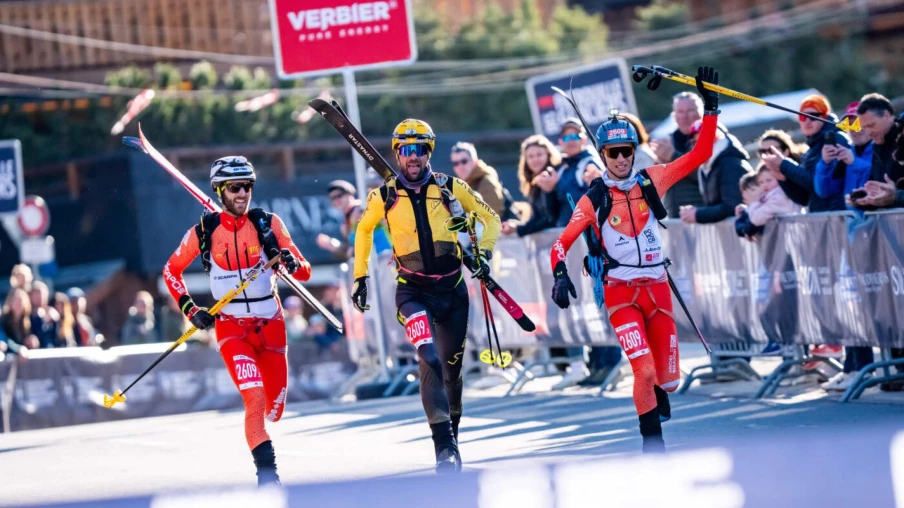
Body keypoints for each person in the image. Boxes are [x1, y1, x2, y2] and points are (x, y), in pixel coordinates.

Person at [549, 66, 721, 453]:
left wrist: (711, 109)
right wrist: (560, 273)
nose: (622, 158)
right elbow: (561, 243)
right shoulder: (594, 198)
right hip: (621, 293)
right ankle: (652, 444)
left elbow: (701, 153)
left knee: (669, 379)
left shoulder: (652, 179)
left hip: (658, 290)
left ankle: (659, 392)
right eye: (613, 152)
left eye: (627, 150)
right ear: (603, 155)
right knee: (642, 368)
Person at [351, 118, 500, 473]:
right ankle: (442, 448)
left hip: (452, 291)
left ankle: (452, 438)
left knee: (452, 372)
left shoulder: (451, 187)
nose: (412, 156)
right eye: (405, 150)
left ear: (428, 152)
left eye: (419, 149)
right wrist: (360, 276)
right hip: (412, 291)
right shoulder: (384, 195)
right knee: (428, 358)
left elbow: (491, 219)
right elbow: (364, 230)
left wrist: (484, 253)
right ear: (397, 154)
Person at [163, 155, 312, 486]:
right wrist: (191, 309)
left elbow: (305, 271)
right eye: (235, 187)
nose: (243, 193)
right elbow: (171, 270)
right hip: (231, 329)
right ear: (219, 190)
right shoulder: (204, 231)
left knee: (274, 410)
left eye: (247, 186)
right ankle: (268, 477)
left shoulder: (268, 224)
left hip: (271, 327)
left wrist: (290, 261)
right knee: (254, 398)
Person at [679, 119, 749, 224]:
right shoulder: (706, 167)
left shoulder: (731, 164)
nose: (697, 146)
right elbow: (715, 204)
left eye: (703, 140)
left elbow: (732, 205)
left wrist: (698, 214)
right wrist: (694, 211)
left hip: (744, 231)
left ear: (716, 140)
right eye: (694, 142)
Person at [651, 92, 706, 218]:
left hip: (702, 215)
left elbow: (705, 174)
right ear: (674, 116)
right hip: (675, 216)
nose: (685, 116)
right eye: (680, 112)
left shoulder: (710, 137)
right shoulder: (668, 141)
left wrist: (673, 157)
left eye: (690, 110)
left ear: (702, 112)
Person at [316, 179, 392, 260]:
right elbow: (354, 252)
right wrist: (333, 245)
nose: (336, 201)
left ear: (350, 194)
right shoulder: (345, 225)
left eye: (339, 196)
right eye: (333, 198)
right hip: (376, 261)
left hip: (388, 257)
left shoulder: (360, 210)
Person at [501, 134, 560, 237]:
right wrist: (517, 226)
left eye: (539, 155)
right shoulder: (534, 183)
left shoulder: (555, 176)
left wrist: (518, 228)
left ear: (548, 155)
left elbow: (550, 219)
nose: (535, 160)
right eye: (531, 156)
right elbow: (537, 218)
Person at [450, 142, 518, 221]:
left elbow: (492, 216)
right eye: (455, 163)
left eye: (464, 161)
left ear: (474, 161)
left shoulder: (486, 182)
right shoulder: (465, 184)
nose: (460, 166)